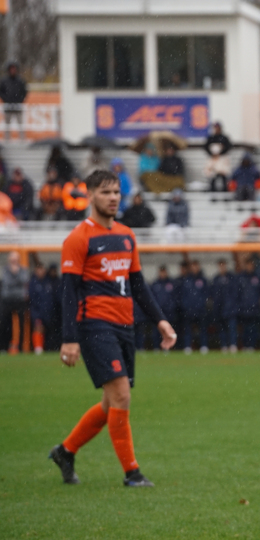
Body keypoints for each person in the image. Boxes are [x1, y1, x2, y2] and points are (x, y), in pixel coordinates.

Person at [49, 169, 176, 487]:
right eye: (105, 192)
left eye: (116, 192)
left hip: (124, 326)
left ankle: (65, 451)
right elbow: (69, 292)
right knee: (121, 395)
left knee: (111, 403)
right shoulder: (79, 238)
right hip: (95, 326)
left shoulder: (126, 235)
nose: (113, 198)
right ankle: (132, 473)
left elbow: (137, 285)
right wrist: (69, 338)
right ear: (89, 195)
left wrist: (160, 319)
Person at [0, 250, 29, 353]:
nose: (14, 261)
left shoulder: (23, 270)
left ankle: (21, 348)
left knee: (21, 324)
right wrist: (16, 277)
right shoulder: (4, 270)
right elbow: (7, 282)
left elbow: (24, 279)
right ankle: (4, 347)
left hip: (19, 300)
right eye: (12, 258)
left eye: (15, 258)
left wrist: (15, 273)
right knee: (5, 324)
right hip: (7, 300)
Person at [179, 259, 208, 354]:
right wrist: (186, 306)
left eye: (196, 266)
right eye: (193, 266)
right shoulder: (186, 279)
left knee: (203, 329)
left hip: (200, 310)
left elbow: (207, 294)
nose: (195, 268)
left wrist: (202, 304)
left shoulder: (203, 279)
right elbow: (182, 295)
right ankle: (188, 346)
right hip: (189, 310)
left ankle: (204, 346)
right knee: (187, 329)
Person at [29, 262, 58, 354]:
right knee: (38, 327)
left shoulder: (48, 281)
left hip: (49, 311)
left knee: (50, 330)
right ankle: (38, 348)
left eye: (42, 269)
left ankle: (50, 348)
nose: (41, 271)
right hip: (37, 310)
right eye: (39, 269)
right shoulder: (33, 282)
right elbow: (32, 299)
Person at [237, 258, 260, 351]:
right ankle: (245, 345)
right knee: (244, 329)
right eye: (248, 264)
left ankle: (252, 346)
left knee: (253, 328)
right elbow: (238, 293)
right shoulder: (241, 277)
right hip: (244, 308)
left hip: (254, 308)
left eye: (251, 264)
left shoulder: (257, 277)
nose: (250, 267)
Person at [150, 266, 177, 350]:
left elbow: (175, 297)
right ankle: (156, 347)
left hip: (169, 311)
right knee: (157, 331)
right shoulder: (155, 284)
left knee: (169, 330)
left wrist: (171, 306)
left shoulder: (171, 283)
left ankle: (170, 347)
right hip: (158, 312)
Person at [0, 62, 27, 140]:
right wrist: (6, 100)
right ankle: (7, 140)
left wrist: (19, 100)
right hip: (7, 107)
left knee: (21, 125)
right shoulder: (4, 81)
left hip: (18, 106)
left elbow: (24, 92)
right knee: (7, 126)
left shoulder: (20, 80)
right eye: (11, 69)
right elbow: (1, 92)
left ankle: (22, 141)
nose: (13, 70)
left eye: (14, 69)